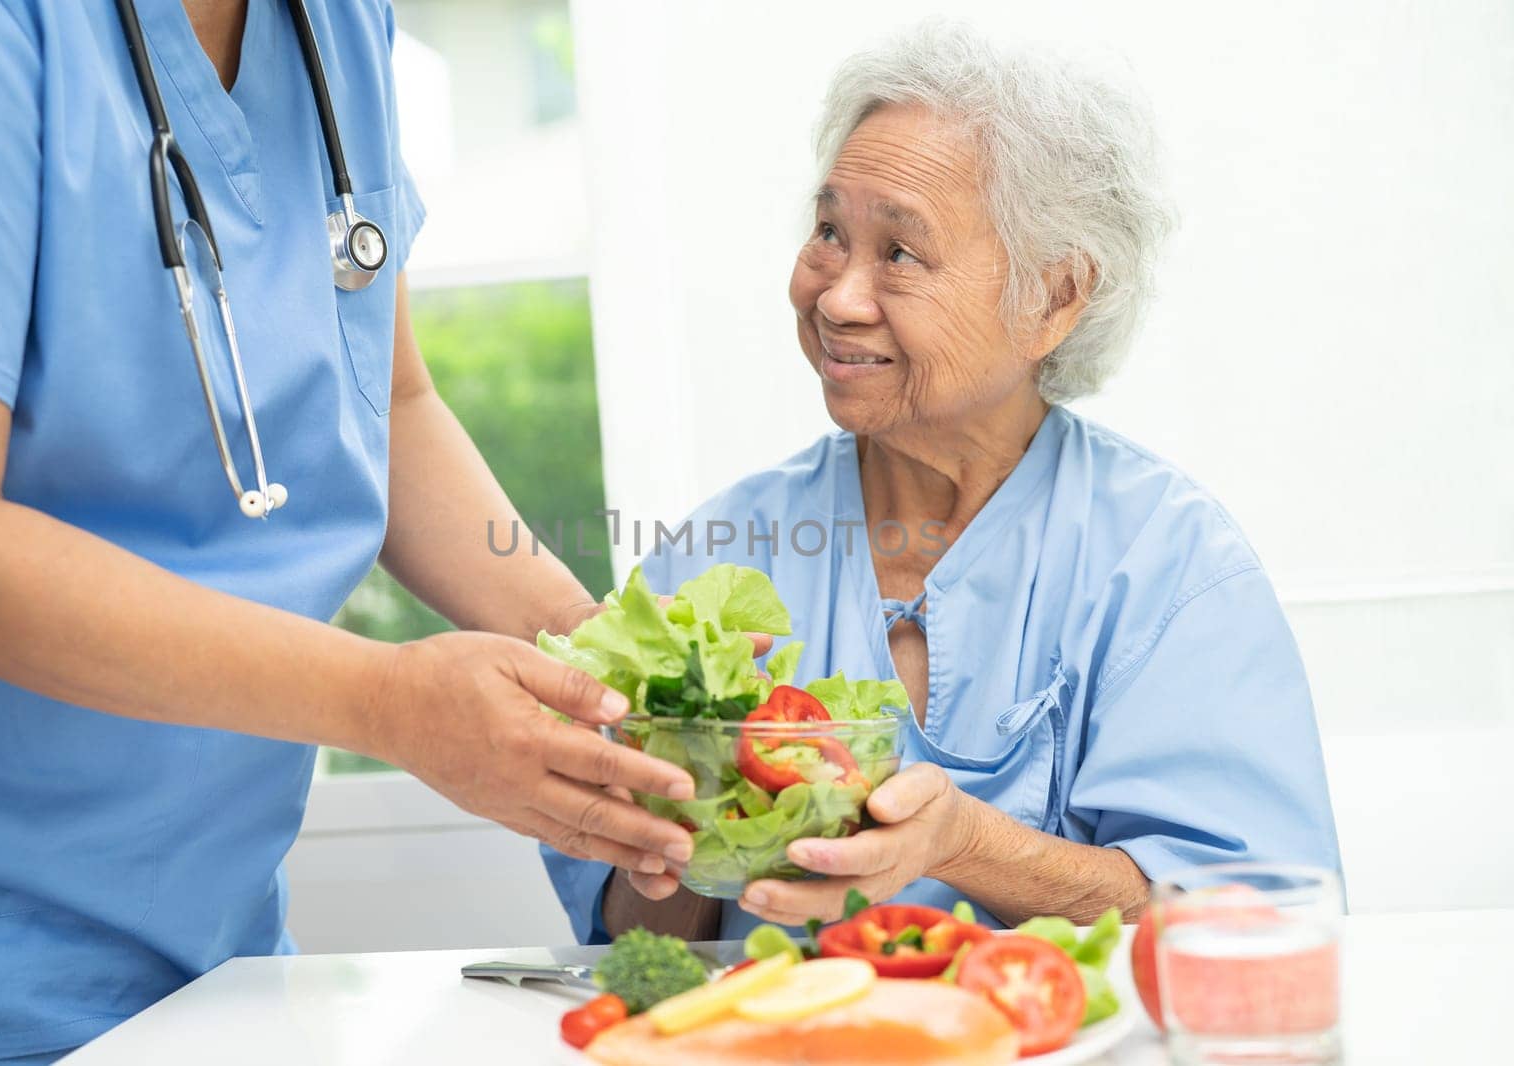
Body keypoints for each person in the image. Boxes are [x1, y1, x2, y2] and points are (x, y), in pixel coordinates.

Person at [0, 3, 702, 1062]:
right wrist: (388, 704)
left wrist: (604, 659)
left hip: (220, 963)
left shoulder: (336, 24)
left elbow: (393, 405)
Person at [544, 23, 1341, 944]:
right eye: (829, 233)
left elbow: (1253, 929)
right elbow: (632, 951)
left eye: (900, 254)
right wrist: (676, 809)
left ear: (1054, 297)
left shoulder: (1170, 560)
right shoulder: (721, 552)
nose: (837, 295)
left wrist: (960, 843)